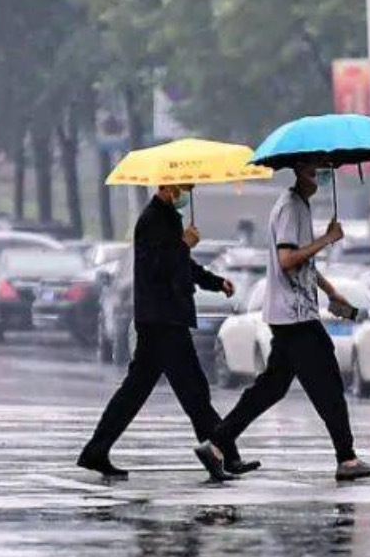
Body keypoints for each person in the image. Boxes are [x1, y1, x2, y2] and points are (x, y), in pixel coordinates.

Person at [195, 162, 370, 483]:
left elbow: (303, 261)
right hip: (295, 316)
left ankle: (216, 444)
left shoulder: (300, 206)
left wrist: (331, 292)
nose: (322, 177)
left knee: (270, 388)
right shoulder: (290, 207)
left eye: (325, 171)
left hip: (291, 313)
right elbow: (287, 260)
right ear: (301, 171)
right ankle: (347, 458)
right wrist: (327, 239)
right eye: (317, 170)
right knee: (328, 385)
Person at [76, 183, 259, 481]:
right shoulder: (151, 219)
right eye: (184, 186)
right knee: (193, 392)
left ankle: (96, 450)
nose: (188, 191)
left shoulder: (168, 218)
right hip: (162, 319)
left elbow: (182, 265)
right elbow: (159, 266)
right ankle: (224, 454)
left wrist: (214, 281)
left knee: (144, 391)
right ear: (167, 186)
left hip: (165, 317)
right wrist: (184, 243)